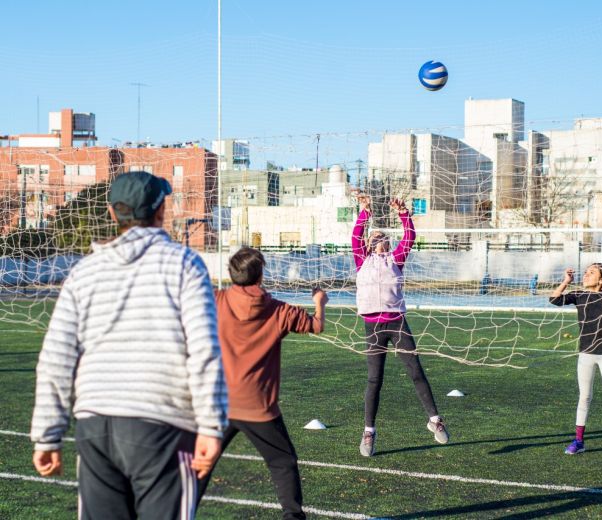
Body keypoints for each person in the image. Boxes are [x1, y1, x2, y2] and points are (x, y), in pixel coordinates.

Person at [30, 171, 227, 519]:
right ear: (161, 210)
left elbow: (56, 358)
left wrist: (47, 435)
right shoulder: (184, 264)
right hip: (162, 425)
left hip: (95, 427)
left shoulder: (84, 272)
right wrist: (212, 426)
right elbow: (204, 351)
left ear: (111, 212)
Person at [200, 247, 328, 519]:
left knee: (200, 465)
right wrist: (320, 301)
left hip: (219, 403)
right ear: (260, 276)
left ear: (231, 275)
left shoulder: (216, 300)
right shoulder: (279, 310)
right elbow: (316, 326)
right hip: (258, 406)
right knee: (283, 462)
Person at [352, 194, 448, 457]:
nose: (377, 238)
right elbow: (356, 235)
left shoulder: (396, 259)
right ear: (369, 245)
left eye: (381, 236)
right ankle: (369, 432)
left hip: (397, 323)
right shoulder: (362, 260)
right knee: (375, 380)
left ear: (388, 242)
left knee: (415, 371)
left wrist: (403, 212)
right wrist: (365, 211)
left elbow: (410, 236)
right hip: (373, 327)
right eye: (373, 237)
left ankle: (435, 419)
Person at [550, 263, 602, 458]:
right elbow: (554, 299)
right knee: (584, 397)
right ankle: (579, 441)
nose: (586, 275)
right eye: (585, 272)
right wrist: (566, 281)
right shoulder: (579, 295)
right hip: (585, 354)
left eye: (591, 273)